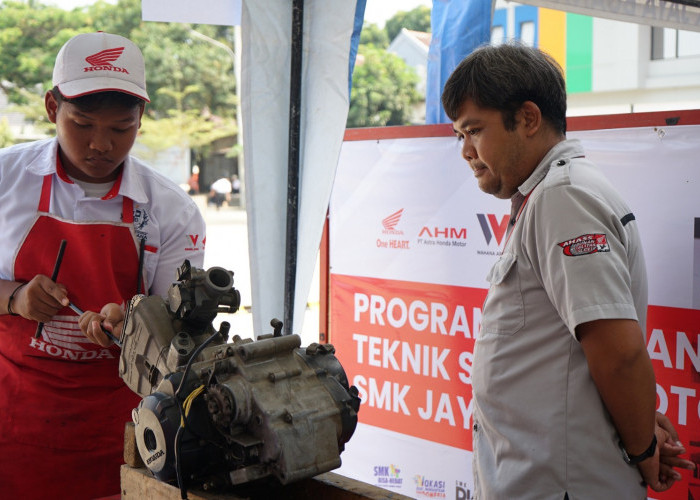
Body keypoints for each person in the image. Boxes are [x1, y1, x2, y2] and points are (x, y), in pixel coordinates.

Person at [441, 43, 695, 499]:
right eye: (459, 135)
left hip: (560, 485)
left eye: (474, 130)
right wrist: (639, 430)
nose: (465, 151)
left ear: (528, 118)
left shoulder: (563, 198)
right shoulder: (545, 196)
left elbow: (618, 355)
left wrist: (641, 452)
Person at [0, 32, 206, 499]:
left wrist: (135, 321)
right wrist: (14, 298)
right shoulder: (5, 180)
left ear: (141, 119)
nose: (101, 145)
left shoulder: (172, 211)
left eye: (120, 129)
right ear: (53, 108)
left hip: (121, 422)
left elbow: (182, 332)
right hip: (14, 411)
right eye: (83, 123)